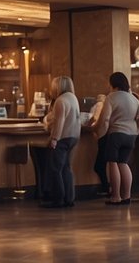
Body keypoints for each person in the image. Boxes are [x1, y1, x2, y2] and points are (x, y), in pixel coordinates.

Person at [97, 71, 139, 205]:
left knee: (112, 163)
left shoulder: (111, 97)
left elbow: (105, 119)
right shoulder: (134, 99)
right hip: (131, 135)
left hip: (116, 133)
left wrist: (99, 132)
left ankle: (116, 196)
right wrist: (136, 132)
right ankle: (127, 196)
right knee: (123, 163)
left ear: (112, 84)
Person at [41, 75, 81, 208]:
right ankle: (69, 198)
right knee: (66, 168)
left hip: (63, 137)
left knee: (55, 169)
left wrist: (54, 139)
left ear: (58, 86)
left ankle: (58, 199)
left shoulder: (60, 100)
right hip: (74, 137)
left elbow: (60, 122)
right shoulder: (73, 98)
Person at [87, 93, 109, 193]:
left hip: (102, 136)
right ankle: (106, 187)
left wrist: (89, 125)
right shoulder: (107, 106)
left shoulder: (100, 105)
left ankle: (106, 188)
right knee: (102, 165)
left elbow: (95, 118)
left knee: (99, 165)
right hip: (105, 136)